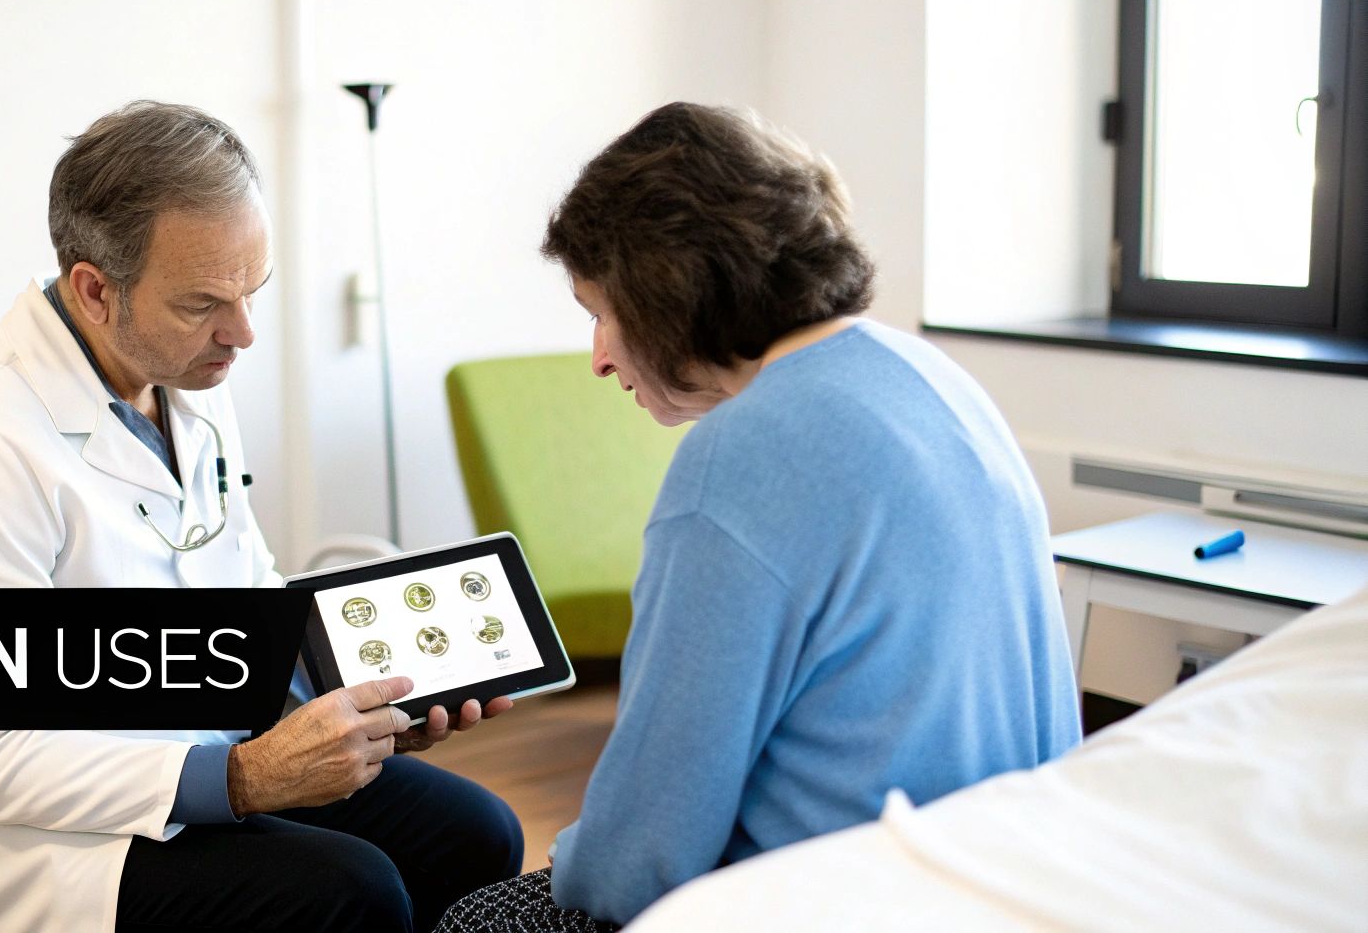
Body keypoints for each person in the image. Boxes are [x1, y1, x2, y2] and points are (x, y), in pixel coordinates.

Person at [0, 101, 520, 933]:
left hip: (201, 744)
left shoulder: (183, 378)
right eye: (205, 302)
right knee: (349, 892)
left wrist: (360, 700)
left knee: (475, 838)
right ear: (95, 291)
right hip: (30, 841)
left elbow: (244, 594)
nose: (243, 332)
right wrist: (245, 779)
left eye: (253, 291)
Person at [435, 103, 1080, 932]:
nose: (597, 355)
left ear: (663, 289)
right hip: (1003, 877)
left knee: (476, 920)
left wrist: (578, 859)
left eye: (600, 311)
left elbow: (638, 859)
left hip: (847, 899)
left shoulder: (740, 456)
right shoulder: (929, 373)